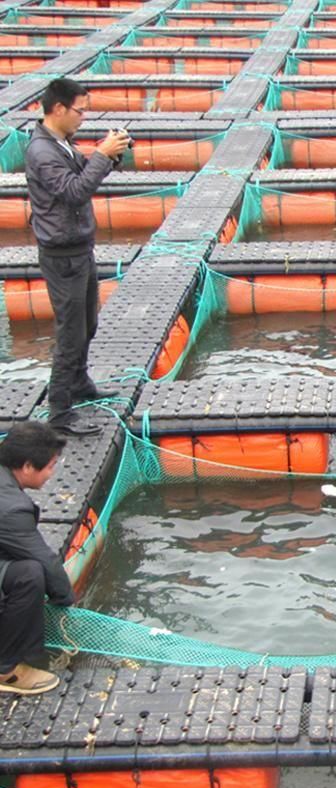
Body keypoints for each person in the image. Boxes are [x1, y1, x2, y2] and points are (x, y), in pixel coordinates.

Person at [24, 78, 131, 437]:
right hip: (62, 255)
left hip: (79, 248)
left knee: (88, 323)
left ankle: (80, 382)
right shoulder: (42, 151)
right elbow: (73, 192)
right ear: (58, 109)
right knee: (70, 333)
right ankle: (59, 411)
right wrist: (102, 155)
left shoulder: (61, 144)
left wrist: (110, 156)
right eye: (79, 111)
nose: (83, 118)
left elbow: (85, 174)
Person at [0, 422, 75, 695]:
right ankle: (6, 670)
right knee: (30, 574)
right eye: (51, 465)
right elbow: (45, 561)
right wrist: (65, 602)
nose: (52, 473)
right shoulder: (11, 508)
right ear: (28, 466)